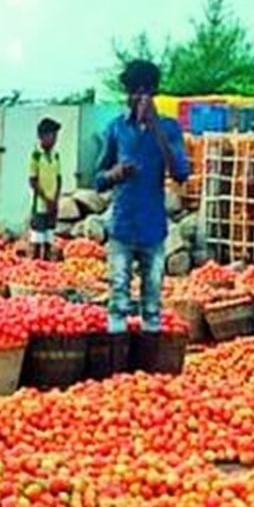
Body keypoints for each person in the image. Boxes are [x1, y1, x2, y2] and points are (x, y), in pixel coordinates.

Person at [95, 60, 190, 349]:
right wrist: (116, 174)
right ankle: (118, 364)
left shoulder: (170, 129)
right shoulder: (115, 129)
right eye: (135, 92)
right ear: (127, 93)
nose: (141, 98)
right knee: (118, 296)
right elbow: (98, 179)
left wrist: (155, 128)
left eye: (147, 91)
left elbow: (181, 173)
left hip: (152, 227)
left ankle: (150, 367)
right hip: (123, 224)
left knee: (152, 300)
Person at [29, 118, 63, 260]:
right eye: (51, 135)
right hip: (41, 203)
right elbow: (32, 180)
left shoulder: (56, 155)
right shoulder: (36, 155)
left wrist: (55, 199)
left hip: (53, 202)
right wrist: (46, 198)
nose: (54, 139)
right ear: (42, 137)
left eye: (55, 135)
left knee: (49, 234)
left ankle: (47, 261)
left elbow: (59, 178)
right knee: (38, 235)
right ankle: (36, 262)